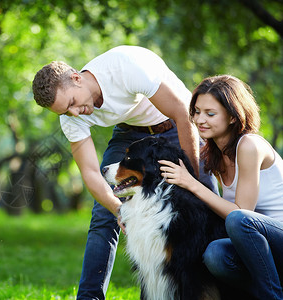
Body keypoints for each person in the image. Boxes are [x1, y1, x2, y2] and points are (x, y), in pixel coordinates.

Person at [32, 45, 217, 299]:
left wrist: (192, 181)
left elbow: (182, 114)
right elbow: (90, 173)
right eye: (66, 111)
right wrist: (118, 209)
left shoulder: (125, 67)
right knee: (102, 215)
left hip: (176, 124)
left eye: (73, 103)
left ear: (76, 78)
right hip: (130, 133)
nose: (74, 113)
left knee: (206, 200)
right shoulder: (71, 117)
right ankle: (89, 297)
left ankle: (225, 284)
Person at [159, 75, 283, 299]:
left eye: (210, 113)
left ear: (233, 117)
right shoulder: (213, 152)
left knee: (237, 220)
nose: (199, 120)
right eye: (196, 112)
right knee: (214, 254)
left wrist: (191, 183)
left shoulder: (249, 146)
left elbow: (241, 213)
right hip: (259, 248)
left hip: (278, 238)